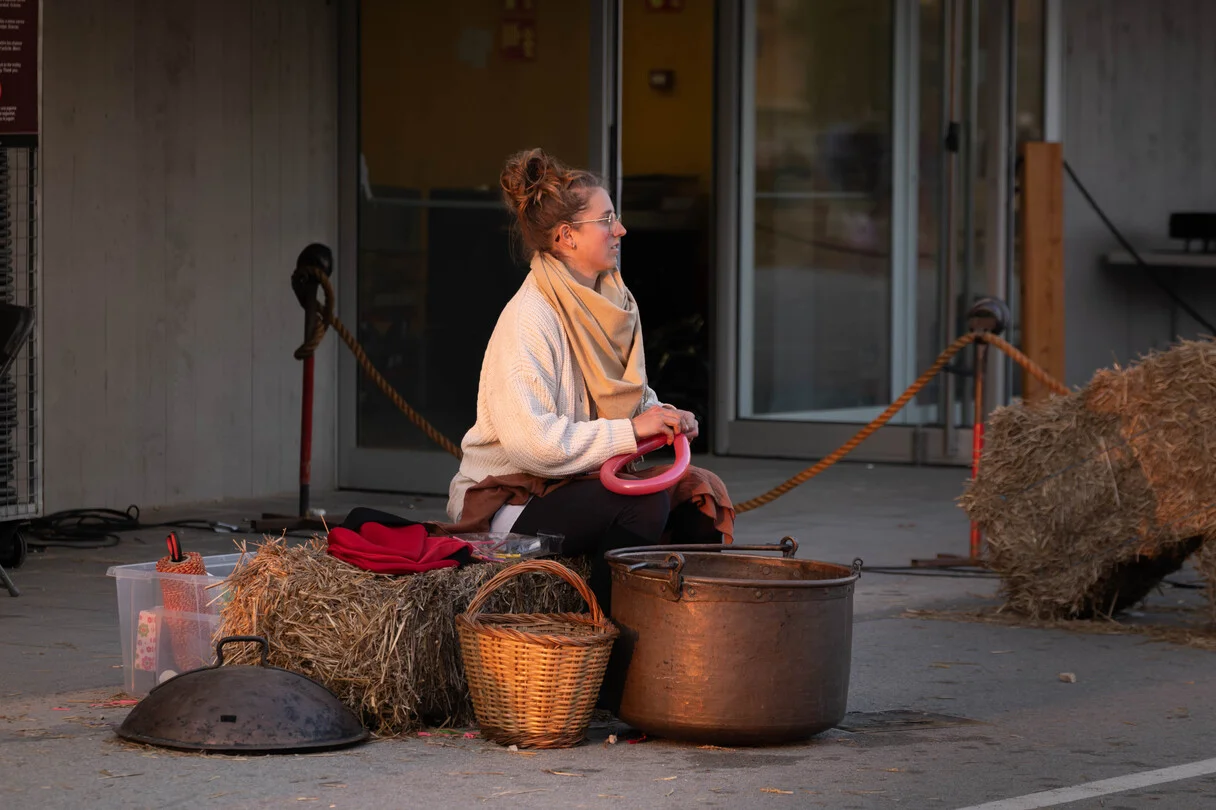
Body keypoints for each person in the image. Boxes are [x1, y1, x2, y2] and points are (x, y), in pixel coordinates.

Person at [443, 148, 734, 612]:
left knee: (699, 493)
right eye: (607, 219)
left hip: (573, 484)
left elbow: (621, 392)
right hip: (508, 501)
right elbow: (532, 446)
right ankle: (600, 638)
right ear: (566, 237)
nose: (620, 230)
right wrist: (632, 430)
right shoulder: (529, 319)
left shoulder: (608, 300)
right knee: (642, 504)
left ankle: (684, 641)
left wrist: (659, 414)